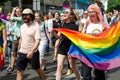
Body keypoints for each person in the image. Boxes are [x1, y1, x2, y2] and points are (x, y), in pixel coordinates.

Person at [16, 8, 45, 80]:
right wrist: (19, 48)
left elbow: (37, 41)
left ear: (31, 16)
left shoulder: (36, 26)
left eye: (26, 15)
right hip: (22, 52)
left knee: (38, 69)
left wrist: (31, 51)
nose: (24, 17)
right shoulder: (22, 26)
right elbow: (21, 38)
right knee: (19, 72)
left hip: (33, 53)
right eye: (23, 15)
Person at [81, 4, 108, 80]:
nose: (91, 14)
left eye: (93, 12)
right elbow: (82, 36)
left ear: (97, 12)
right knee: (86, 75)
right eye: (89, 12)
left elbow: (108, 37)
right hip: (87, 52)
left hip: (99, 53)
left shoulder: (103, 25)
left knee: (99, 75)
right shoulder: (87, 23)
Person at [53, 8, 78, 80]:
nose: (64, 13)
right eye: (64, 12)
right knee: (59, 67)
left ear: (70, 15)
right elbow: (58, 36)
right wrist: (53, 32)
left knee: (73, 67)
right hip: (62, 47)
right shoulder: (62, 24)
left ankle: (78, 78)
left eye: (67, 12)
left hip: (70, 48)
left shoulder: (74, 26)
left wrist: (72, 50)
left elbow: (76, 40)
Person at [7, 7, 23, 73]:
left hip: (21, 38)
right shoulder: (16, 21)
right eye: (16, 11)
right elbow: (15, 29)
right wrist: (10, 33)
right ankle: (12, 67)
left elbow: (12, 18)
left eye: (19, 11)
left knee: (20, 53)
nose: (17, 12)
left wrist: (13, 10)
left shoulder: (21, 18)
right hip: (15, 38)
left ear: (21, 12)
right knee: (13, 53)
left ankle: (19, 66)